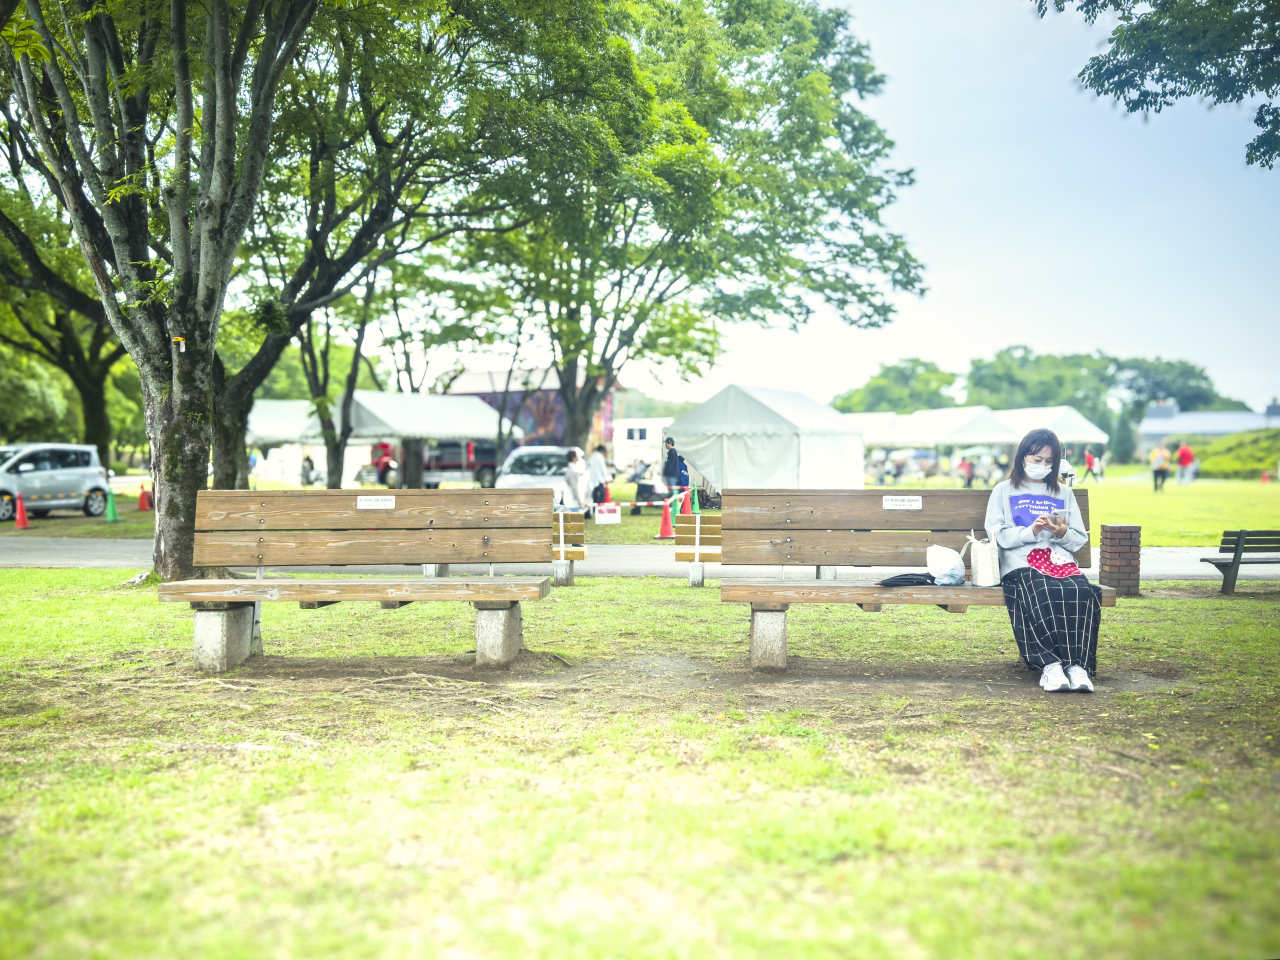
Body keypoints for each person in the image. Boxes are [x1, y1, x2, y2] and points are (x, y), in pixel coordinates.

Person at [985, 428, 1103, 694]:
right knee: (1040, 589)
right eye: (1037, 460)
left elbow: (1078, 538)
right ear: (1023, 457)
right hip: (1020, 563)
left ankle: (1076, 667)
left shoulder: (1063, 493)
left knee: (1082, 590)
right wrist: (1032, 531)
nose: (1043, 466)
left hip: (1058, 560)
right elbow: (996, 534)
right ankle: (1050, 665)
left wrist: (1061, 533)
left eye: (1050, 462)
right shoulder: (1004, 491)